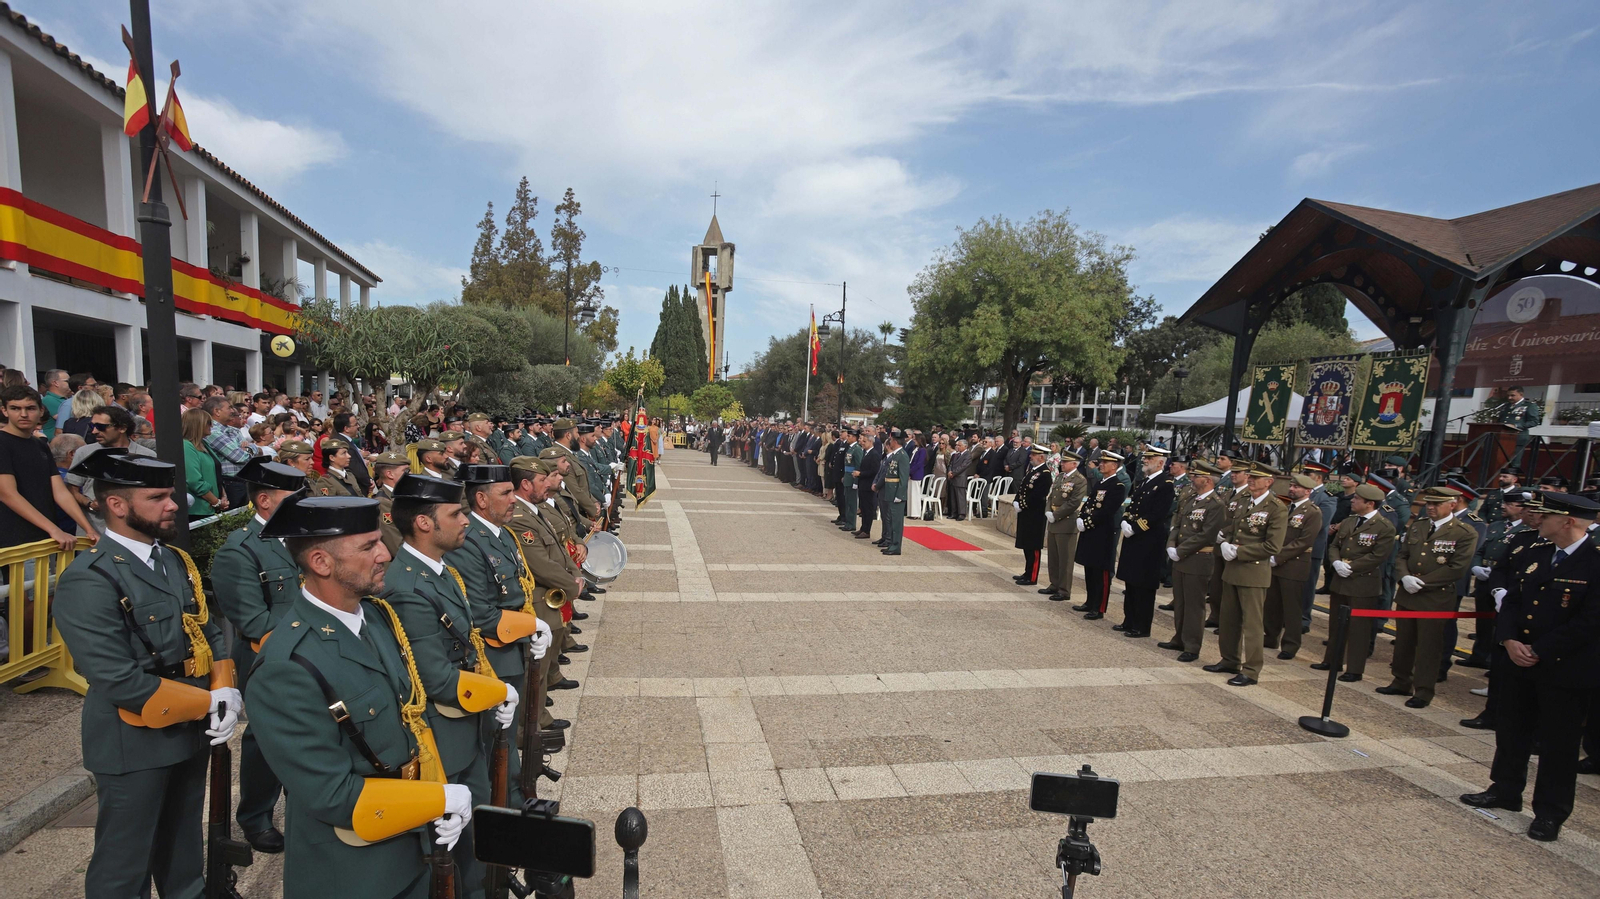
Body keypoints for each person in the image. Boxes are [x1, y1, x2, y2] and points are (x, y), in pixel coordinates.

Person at [245, 494, 473, 897]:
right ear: (321, 562)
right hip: (355, 870)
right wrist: (432, 800)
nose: (386, 553)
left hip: (410, 845)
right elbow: (331, 794)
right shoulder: (287, 664)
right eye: (368, 546)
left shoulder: (378, 617)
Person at [53, 452, 234, 898]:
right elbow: (114, 675)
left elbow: (206, 628)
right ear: (116, 505)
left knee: (183, 851)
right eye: (158, 497)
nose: (173, 505)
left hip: (189, 729)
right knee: (124, 862)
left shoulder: (172, 559)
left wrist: (225, 686)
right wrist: (207, 703)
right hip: (133, 736)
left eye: (170, 494)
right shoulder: (91, 578)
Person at [385, 473, 534, 891]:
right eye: (456, 513)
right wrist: (497, 690)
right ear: (424, 523)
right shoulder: (409, 584)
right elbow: (434, 675)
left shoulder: (439, 570)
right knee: (456, 851)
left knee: (477, 830)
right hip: (441, 730)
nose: (466, 520)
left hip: (463, 721)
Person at [1460, 492, 1600, 843]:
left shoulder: (1594, 562)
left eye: (1546, 515)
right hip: (1517, 659)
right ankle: (1505, 789)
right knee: (1512, 729)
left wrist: (1539, 649)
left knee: (1558, 744)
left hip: (1563, 667)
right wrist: (1508, 640)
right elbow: (1512, 601)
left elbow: (1591, 621)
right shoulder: (1534, 553)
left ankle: (1550, 812)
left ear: (1567, 521)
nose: (1537, 518)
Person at [209, 457, 308, 853]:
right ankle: (255, 817)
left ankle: (303, 805)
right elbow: (254, 621)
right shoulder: (241, 551)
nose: (304, 500)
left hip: (314, 653)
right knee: (266, 740)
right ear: (265, 501)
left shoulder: (305, 539)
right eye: (294, 494)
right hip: (268, 659)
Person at [446, 464, 555, 806]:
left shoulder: (502, 533)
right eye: (505, 494)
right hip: (492, 653)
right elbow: (480, 613)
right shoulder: (469, 543)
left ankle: (514, 790)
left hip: (513, 645)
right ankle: (506, 799)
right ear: (480, 498)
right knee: (497, 734)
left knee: (508, 730)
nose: (513, 500)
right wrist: (530, 626)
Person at [1378, 486, 1479, 708]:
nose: (1430, 508)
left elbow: (1457, 568)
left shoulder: (1464, 532)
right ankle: (1401, 680)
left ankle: (1423, 690)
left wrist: (1423, 582)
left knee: (1429, 646)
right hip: (1408, 594)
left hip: (1435, 597)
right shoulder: (1419, 526)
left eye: (1436, 504)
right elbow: (1402, 555)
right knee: (1404, 642)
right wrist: (1404, 577)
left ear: (1452, 505)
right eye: (1428, 503)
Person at [1205, 462, 1288, 687]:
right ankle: (1229, 659)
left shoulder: (1276, 507)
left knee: (1252, 625)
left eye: (1256, 478)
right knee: (1229, 619)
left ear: (1269, 482)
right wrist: (1224, 538)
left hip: (1253, 571)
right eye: (1250, 476)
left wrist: (1239, 551)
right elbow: (1236, 526)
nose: (1250, 480)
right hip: (1233, 569)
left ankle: (1251, 670)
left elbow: (1273, 546)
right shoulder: (1244, 501)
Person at [0, 385, 95, 549]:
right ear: (4, 410)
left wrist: (89, 529)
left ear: (41, 410)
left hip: (47, 536)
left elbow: (59, 491)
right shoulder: (2, 442)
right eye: (15, 408)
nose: (23, 414)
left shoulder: (40, 445)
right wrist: (54, 529)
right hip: (15, 541)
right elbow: (7, 494)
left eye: (30, 408)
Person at [1162, 460, 1227, 661]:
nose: (1192, 478)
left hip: (1198, 559)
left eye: (1196, 476)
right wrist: (1171, 544)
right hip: (1181, 557)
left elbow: (1207, 535)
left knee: (1194, 605)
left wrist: (1180, 550)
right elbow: (1178, 524)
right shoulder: (1193, 499)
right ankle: (1179, 638)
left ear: (1207, 480)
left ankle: (1192, 645)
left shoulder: (1216, 504)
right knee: (1180, 601)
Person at [1114, 447, 1174, 638]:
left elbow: (1158, 513)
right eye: (1145, 458)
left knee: (1143, 585)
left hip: (1148, 541)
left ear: (1161, 462)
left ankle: (1141, 625)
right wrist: (1125, 520)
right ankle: (1129, 620)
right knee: (1131, 582)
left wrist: (1136, 527)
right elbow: (1132, 505)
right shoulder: (1144, 482)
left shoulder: (1165, 483)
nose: (1145, 461)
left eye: (1150, 458)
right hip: (1135, 539)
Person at [1264, 473, 1324, 661]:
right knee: (1272, 604)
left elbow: (1304, 541)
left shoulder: (1312, 512)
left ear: (1307, 491)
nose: (1291, 489)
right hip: (1276, 562)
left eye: (1296, 487)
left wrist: (1278, 556)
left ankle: (1290, 644)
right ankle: (1271, 636)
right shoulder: (1287, 508)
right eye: (1291, 486)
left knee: (1292, 607)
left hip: (1294, 565)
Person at [1074, 451, 1127, 621]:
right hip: (1091, 532)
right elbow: (1089, 503)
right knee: (1090, 568)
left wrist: (1088, 522)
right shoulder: (1100, 483)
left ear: (1114, 466)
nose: (1101, 465)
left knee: (1101, 572)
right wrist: (1082, 517)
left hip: (1103, 533)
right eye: (1101, 462)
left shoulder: (1117, 486)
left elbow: (1107, 511)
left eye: (1105, 462)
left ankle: (1099, 607)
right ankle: (1090, 602)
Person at [1011, 444, 1052, 585]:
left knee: (1033, 547)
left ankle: (1032, 576)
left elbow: (1038, 496)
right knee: (1026, 545)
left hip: (1035, 515)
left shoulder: (1045, 473)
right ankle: (1027, 572)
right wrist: (1016, 501)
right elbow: (1022, 489)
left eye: (1033, 455)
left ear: (1041, 457)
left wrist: (1022, 505)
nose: (1030, 456)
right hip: (1026, 513)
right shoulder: (1032, 471)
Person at [878, 429, 909, 555]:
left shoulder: (902, 456)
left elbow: (903, 477)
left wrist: (900, 495)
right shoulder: (895, 455)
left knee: (896, 521)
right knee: (890, 519)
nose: (889, 442)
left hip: (896, 492)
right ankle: (891, 543)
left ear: (895, 441)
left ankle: (896, 546)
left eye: (891, 440)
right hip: (890, 491)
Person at [1499, 386, 1541, 469]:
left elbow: (1534, 421)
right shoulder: (1506, 406)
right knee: (1500, 461)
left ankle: (1511, 480)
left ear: (1521, 394)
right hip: (1503, 437)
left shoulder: (1529, 405)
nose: (1509, 398)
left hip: (1518, 437)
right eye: (1508, 396)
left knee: (1514, 462)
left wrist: (1516, 426)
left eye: (1512, 395)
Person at [854, 427, 882, 540]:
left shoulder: (874, 454)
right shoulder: (865, 453)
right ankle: (863, 527)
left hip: (868, 484)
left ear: (871, 442)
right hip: (863, 484)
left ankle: (867, 530)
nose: (863, 443)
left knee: (868, 508)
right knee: (863, 508)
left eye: (865, 441)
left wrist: (860, 474)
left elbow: (874, 471)